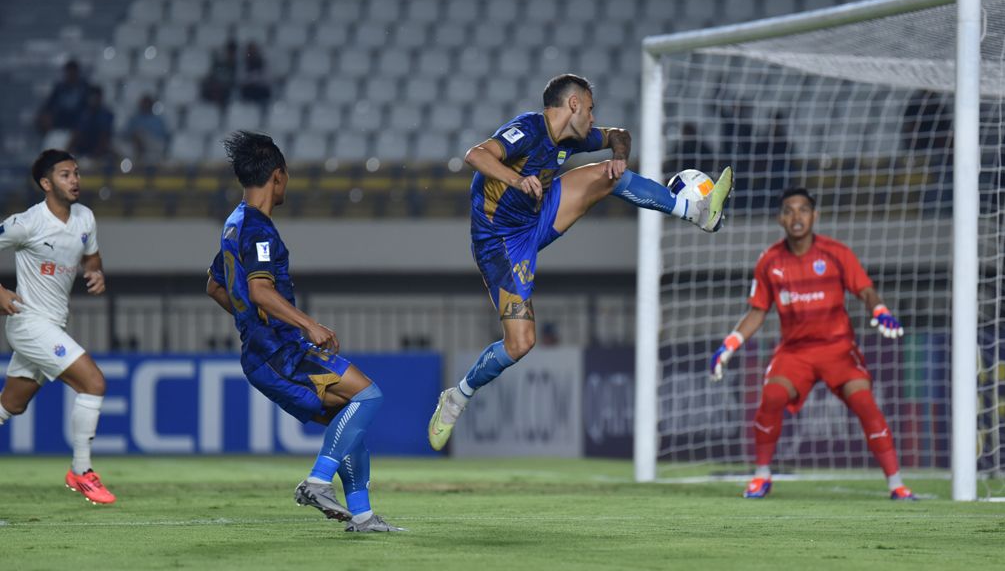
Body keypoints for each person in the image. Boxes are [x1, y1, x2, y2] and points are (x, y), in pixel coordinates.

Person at [427, 73, 734, 450]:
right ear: (573, 104)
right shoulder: (527, 128)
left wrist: (619, 158)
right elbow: (475, 154)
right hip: (500, 243)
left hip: (538, 215)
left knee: (607, 176)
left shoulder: (574, 136)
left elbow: (618, 134)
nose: (592, 117)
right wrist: (515, 180)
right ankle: (457, 397)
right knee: (521, 343)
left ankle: (695, 211)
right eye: (590, 108)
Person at [204, 131, 402, 532]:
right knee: (368, 395)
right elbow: (260, 289)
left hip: (265, 350)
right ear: (278, 176)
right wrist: (307, 324)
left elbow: (214, 286)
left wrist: (248, 319)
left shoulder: (234, 224)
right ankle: (316, 482)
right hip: (280, 351)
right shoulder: (258, 228)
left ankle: (362, 515)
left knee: (347, 420)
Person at [709, 187, 915, 500]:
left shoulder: (836, 253)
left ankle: (897, 484)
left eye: (803, 210)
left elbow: (866, 290)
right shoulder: (770, 262)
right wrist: (729, 345)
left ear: (814, 216)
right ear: (780, 219)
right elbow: (757, 312)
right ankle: (762, 476)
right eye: (789, 210)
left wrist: (880, 310)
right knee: (772, 396)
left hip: (838, 350)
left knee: (865, 404)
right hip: (795, 353)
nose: (796, 216)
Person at [0, 149, 114, 504]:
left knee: (11, 405)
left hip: (52, 324)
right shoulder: (27, 223)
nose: (75, 180)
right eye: (65, 174)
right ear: (46, 184)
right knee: (93, 382)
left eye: (77, 173)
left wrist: (94, 271)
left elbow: (90, 255)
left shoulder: (85, 218)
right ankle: (81, 471)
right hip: (28, 322)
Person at [35, 60, 90, 136]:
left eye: (73, 72)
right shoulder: (60, 87)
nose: (71, 75)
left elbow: (89, 104)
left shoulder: (84, 87)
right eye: (69, 72)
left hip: (78, 118)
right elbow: (49, 104)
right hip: (61, 117)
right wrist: (44, 115)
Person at [121, 94, 170, 165]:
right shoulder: (135, 119)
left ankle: (139, 159)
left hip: (155, 145)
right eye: (144, 103)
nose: (145, 105)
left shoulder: (158, 120)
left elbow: (164, 138)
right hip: (136, 146)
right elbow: (127, 135)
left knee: (140, 133)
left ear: (151, 105)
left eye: (147, 103)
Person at [68, 86, 115, 160]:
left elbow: (105, 137)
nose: (93, 100)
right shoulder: (84, 114)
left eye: (96, 97)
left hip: (100, 152)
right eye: (92, 97)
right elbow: (77, 134)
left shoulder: (106, 115)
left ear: (100, 98)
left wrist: (95, 156)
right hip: (83, 150)